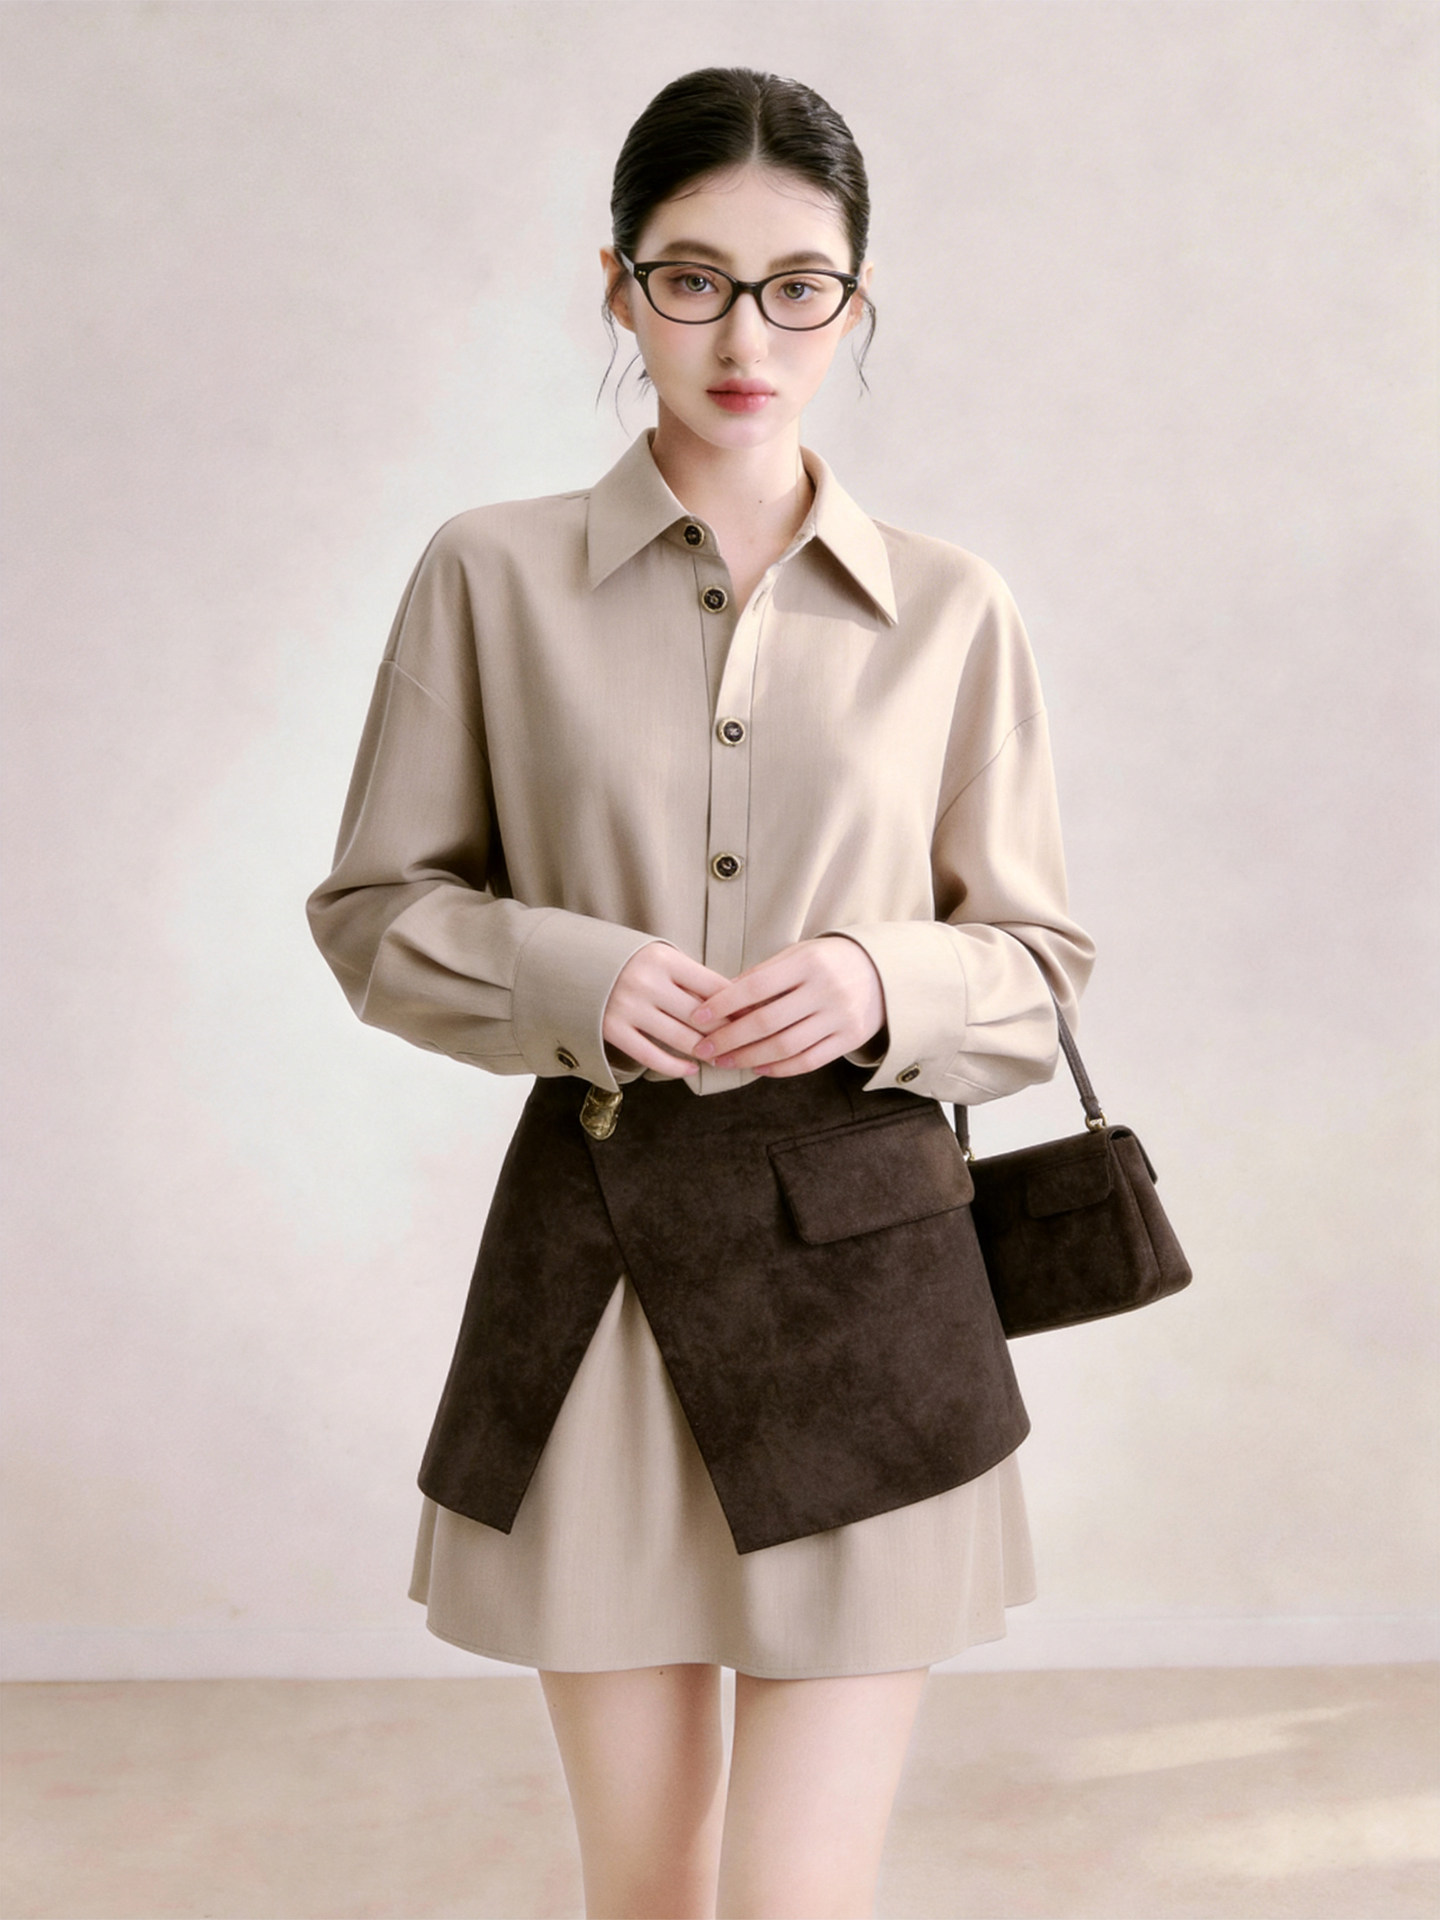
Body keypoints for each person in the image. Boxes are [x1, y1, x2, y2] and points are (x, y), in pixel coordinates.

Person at [308, 65, 1093, 1920]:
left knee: (794, 1901)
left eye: (798, 285)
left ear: (857, 297)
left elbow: (1038, 965)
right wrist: (575, 976)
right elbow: (373, 912)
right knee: (650, 1895)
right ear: (619, 287)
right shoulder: (488, 574)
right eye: (694, 279)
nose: (747, 335)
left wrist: (875, 976)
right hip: (599, 1279)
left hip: (871, 1285)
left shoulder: (954, 609)